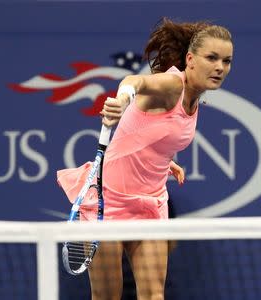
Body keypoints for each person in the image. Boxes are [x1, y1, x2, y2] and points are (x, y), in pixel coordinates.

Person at [89, 17, 233, 300]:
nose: (220, 67)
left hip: (151, 201)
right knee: (107, 296)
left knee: (154, 295)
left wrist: (162, 160)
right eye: (212, 58)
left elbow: (149, 133)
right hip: (109, 200)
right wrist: (122, 100)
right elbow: (135, 81)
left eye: (226, 61)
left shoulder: (195, 98)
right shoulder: (171, 85)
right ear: (190, 59)